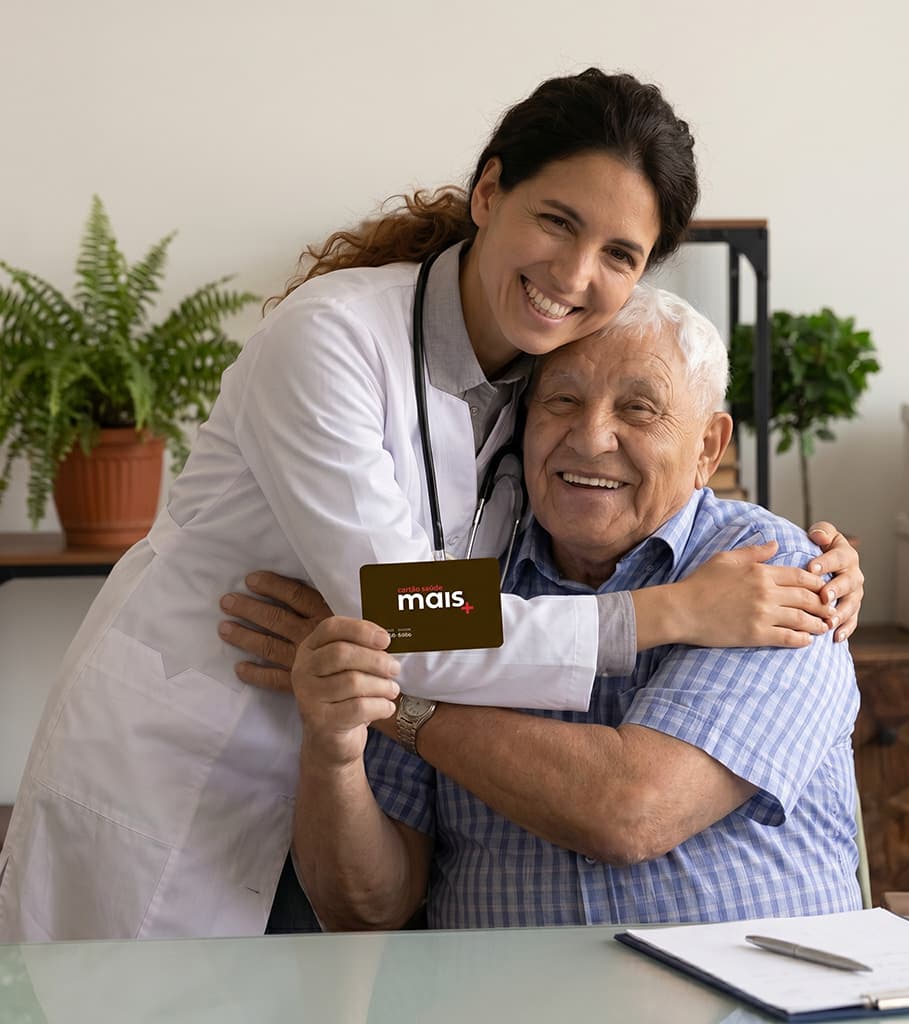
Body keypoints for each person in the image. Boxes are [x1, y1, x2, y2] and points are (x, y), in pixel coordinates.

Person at [0, 68, 861, 943]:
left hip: (338, 769)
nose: (573, 273)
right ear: (490, 192)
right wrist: (670, 611)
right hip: (183, 768)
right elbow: (406, 617)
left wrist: (820, 557)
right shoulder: (328, 342)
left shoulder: (538, 387)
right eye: (557, 220)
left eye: (618, 255)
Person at [222, 286, 862, 929]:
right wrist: (333, 745)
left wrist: (400, 705)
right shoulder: (466, 575)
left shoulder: (774, 568)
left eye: (639, 409)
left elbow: (631, 810)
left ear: (707, 449)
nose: (589, 438)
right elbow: (366, 910)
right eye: (561, 400)